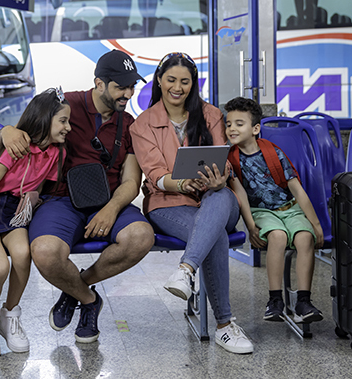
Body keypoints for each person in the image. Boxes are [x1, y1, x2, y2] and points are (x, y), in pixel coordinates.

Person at [0, 50, 155, 343]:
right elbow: (21, 132)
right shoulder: (65, 105)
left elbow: (132, 181)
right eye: (120, 87)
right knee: (45, 252)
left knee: (141, 237)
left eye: (131, 86)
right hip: (60, 201)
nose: (128, 93)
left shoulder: (130, 123)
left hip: (109, 199)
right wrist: (6, 131)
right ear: (99, 84)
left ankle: (74, 288)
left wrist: (110, 209)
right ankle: (88, 299)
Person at [130, 52, 253, 354]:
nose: (178, 87)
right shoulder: (143, 125)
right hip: (169, 203)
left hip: (217, 197)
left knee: (221, 196)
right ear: (159, 80)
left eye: (185, 81)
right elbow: (155, 174)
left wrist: (218, 179)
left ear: (193, 84)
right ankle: (225, 325)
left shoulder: (211, 115)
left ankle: (185, 269)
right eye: (171, 80)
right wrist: (183, 183)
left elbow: (225, 160)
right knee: (216, 236)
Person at [0, 88, 71, 357]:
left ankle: (10, 316)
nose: (69, 127)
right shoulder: (16, 148)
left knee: (21, 254)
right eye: (63, 121)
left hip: (15, 211)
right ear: (44, 119)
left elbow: (39, 186)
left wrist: (33, 201)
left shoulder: (55, 153)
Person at [224, 96, 324, 324]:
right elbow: (240, 195)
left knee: (305, 238)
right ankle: (275, 300)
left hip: (291, 209)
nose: (232, 128)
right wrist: (250, 227)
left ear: (255, 128)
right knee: (277, 237)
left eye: (239, 123)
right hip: (263, 212)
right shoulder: (232, 160)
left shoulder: (273, 153)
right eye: (229, 124)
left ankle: (303, 301)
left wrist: (316, 224)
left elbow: (297, 190)